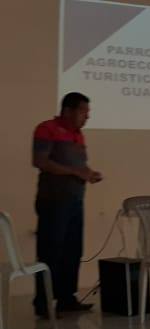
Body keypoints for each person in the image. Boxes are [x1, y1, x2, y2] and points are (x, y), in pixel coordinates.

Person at [31, 92, 103, 317]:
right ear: (67, 111)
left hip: (75, 200)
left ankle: (66, 298)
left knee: (73, 250)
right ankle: (43, 302)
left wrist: (89, 173)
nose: (87, 117)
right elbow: (40, 161)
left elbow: (79, 166)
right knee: (50, 250)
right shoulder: (46, 128)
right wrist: (75, 172)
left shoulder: (78, 135)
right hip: (53, 200)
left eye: (88, 112)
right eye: (83, 112)